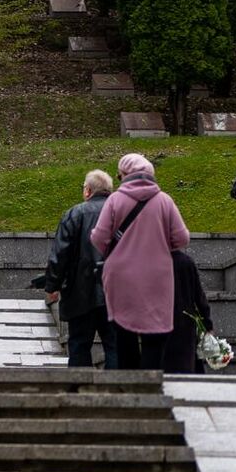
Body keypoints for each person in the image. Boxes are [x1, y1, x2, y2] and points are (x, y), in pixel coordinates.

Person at [90, 153, 192, 371]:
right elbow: (182, 238)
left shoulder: (115, 200)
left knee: (123, 337)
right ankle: (150, 384)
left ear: (125, 175)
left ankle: (129, 387)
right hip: (157, 278)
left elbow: (99, 237)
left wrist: (116, 251)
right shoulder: (164, 201)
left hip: (121, 278)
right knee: (154, 338)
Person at [44, 170, 117, 368]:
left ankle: (78, 391)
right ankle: (118, 391)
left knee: (78, 344)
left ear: (88, 191)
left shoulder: (74, 214)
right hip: (116, 292)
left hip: (79, 291)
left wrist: (52, 285)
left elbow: (60, 254)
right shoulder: (120, 213)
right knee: (115, 346)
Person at [161, 250, 210, 374]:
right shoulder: (186, 262)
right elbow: (199, 296)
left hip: (162, 321)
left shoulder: (157, 261)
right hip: (186, 322)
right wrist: (207, 323)